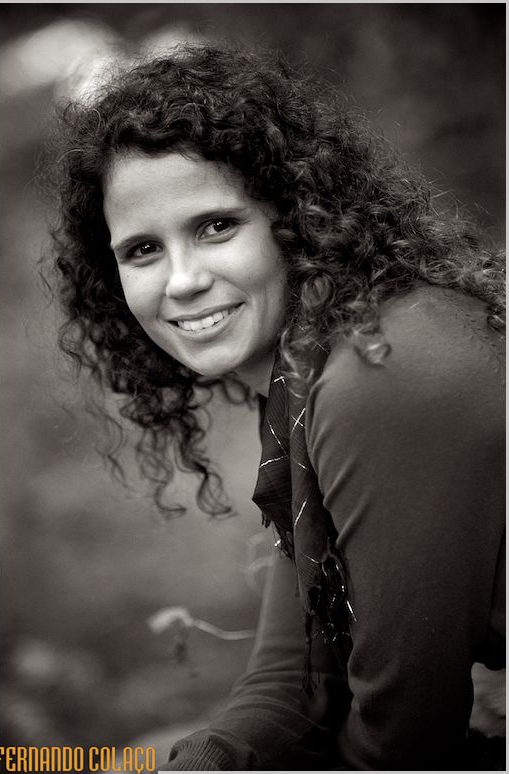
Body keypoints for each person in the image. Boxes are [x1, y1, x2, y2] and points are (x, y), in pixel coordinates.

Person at [44, 44, 505, 770]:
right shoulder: (305, 377)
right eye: (142, 250)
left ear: (292, 217)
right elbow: (297, 683)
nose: (183, 281)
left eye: (215, 226)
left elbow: (404, 740)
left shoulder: (387, 370)